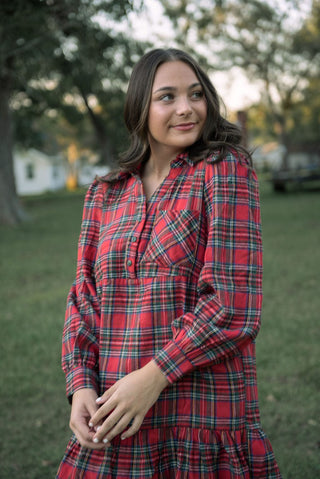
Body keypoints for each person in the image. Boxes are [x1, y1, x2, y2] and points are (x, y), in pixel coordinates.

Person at [56, 48, 281, 478]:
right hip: (118, 415)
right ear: (140, 107)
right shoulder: (105, 193)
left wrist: (155, 376)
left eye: (196, 94)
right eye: (167, 97)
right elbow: (84, 298)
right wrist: (81, 382)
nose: (186, 108)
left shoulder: (224, 169)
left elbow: (233, 304)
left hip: (200, 413)